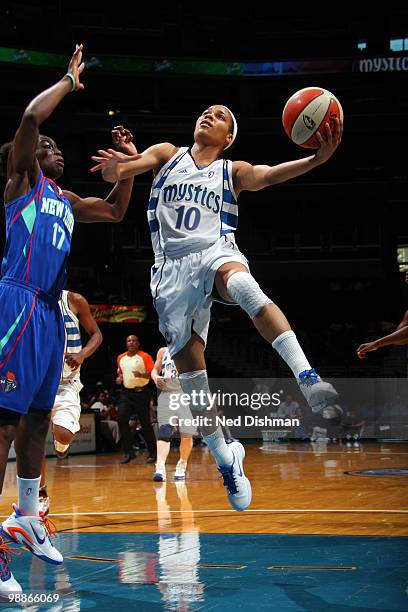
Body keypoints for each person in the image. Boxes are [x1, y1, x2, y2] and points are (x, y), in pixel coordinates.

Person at [91, 104, 342, 512]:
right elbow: (117, 173)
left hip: (214, 251)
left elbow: (272, 174)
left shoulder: (232, 170)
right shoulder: (167, 153)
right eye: (205, 111)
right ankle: (227, 459)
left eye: (220, 114)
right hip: (170, 272)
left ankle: (308, 378)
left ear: (229, 137)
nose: (208, 115)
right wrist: (117, 167)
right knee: (196, 385)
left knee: (244, 286)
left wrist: (316, 158)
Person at [0, 44, 136, 593]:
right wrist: (68, 81)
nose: (54, 150)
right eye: (46, 149)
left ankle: (29, 516)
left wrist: (125, 168)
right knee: (5, 425)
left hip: (50, 313)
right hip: (16, 304)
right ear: (30, 159)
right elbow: (32, 118)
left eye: (56, 147)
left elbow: (118, 210)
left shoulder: (66, 197)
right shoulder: (22, 185)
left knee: (36, 420)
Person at [38, 289, 102, 515]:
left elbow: (96, 334)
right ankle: (41, 492)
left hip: (67, 382)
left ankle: (61, 446)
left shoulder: (73, 300)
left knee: (63, 435)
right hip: (38, 381)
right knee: (35, 439)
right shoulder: (29, 298)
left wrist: (83, 354)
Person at [151, 346, 196, 481]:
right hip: (167, 395)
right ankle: (159, 467)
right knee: (165, 431)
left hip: (185, 395)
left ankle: (182, 464)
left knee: (187, 435)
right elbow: (154, 369)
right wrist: (156, 377)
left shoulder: (192, 350)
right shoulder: (163, 351)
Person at [116, 335, 157, 463]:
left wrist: (141, 375)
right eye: (128, 340)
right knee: (121, 419)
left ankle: (153, 453)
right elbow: (120, 373)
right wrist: (119, 379)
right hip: (126, 394)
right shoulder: (120, 358)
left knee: (145, 423)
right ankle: (129, 452)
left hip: (142, 393)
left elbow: (152, 374)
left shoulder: (145, 356)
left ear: (138, 343)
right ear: (126, 344)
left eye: (134, 340)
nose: (131, 342)